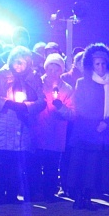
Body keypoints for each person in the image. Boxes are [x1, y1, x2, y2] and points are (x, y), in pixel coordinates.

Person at [0, 45, 46, 203]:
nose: (20, 66)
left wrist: (26, 106)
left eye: (24, 62)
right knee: (1, 163)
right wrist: (6, 104)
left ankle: (11, 194)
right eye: (17, 62)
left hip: (22, 126)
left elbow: (41, 101)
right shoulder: (1, 75)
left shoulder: (33, 78)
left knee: (16, 164)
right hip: (2, 126)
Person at [67, 43, 109, 210]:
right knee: (79, 164)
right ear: (91, 65)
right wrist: (94, 123)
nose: (100, 67)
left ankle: (88, 196)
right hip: (84, 131)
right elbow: (80, 105)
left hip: (103, 131)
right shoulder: (83, 82)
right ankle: (78, 198)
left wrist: (106, 123)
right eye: (97, 64)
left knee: (94, 166)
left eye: (103, 63)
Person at [34, 53, 74, 201]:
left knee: (51, 164)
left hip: (56, 133)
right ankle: (35, 191)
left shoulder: (67, 89)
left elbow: (72, 113)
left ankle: (49, 192)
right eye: (50, 69)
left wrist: (60, 107)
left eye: (56, 69)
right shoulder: (37, 84)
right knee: (35, 163)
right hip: (37, 130)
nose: (53, 73)